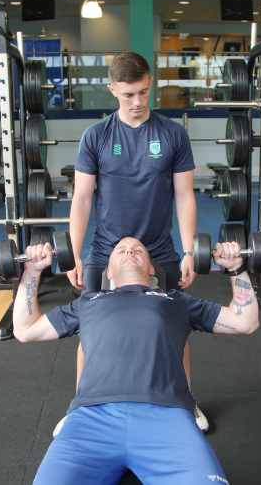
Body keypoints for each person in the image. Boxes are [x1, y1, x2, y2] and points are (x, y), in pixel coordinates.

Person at [14, 237, 258, 484]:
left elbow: (244, 322)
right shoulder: (86, 303)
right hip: (91, 421)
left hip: (168, 419)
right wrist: (32, 271)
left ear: (151, 269)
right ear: (108, 271)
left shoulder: (177, 301)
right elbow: (26, 330)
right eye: (120, 249)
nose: (129, 250)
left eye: (138, 248)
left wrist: (236, 268)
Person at [62, 50, 204, 434]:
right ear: (112, 89)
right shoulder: (96, 135)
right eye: (128, 95)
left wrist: (189, 249)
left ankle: (186, 402)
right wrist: (74, 254)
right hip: (105, 249)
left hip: (159, 249)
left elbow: (185, 195)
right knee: (89, 328)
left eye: (143, 92)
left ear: (151, 82)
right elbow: (82, 198)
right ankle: (81, 407)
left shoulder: (173, 133)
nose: (138, 102)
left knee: (177, 327)